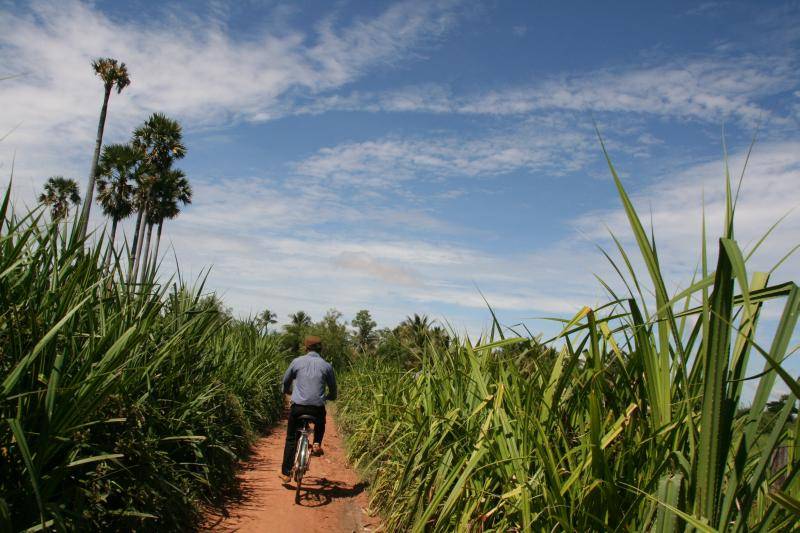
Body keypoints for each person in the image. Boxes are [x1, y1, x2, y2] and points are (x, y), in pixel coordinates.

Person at [280, 335, 337, 482]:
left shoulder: (296, 362)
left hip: (298, 407)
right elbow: (333, 389)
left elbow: (286, 381)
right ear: (321, 349)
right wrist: (330, 396)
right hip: (316, 409)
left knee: (291, 438)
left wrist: (286, 390)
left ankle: (286, 473)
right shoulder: (326, 366)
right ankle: (317, 442)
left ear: (306, 348)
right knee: (321, 421)